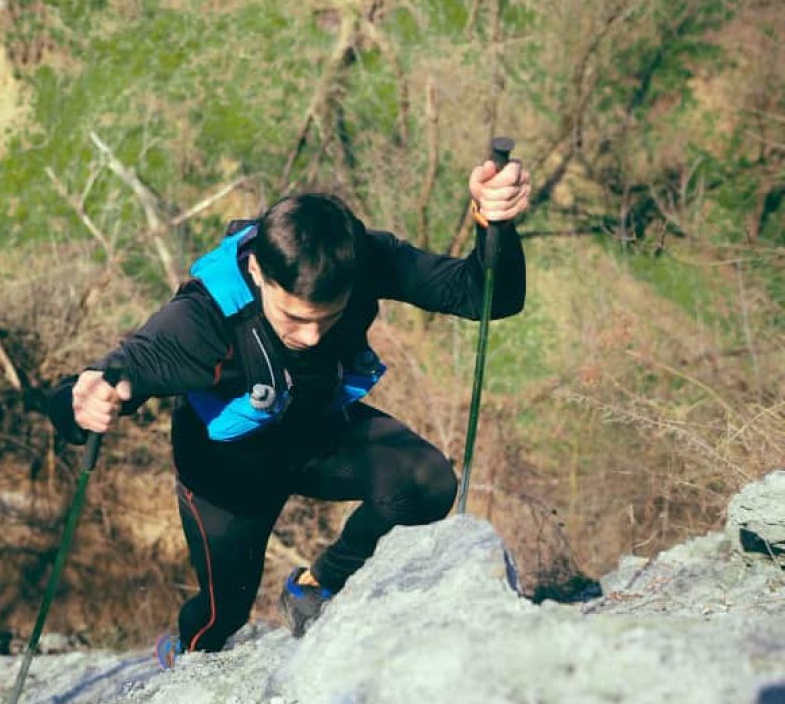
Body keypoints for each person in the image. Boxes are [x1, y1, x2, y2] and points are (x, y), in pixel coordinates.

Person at [49, 158, 531, 667]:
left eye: (328, 317)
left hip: (314, 434)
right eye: (294, 318)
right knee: (221, 616)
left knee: (425, 482)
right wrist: (81, 398)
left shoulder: (360, 257)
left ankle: (316, 585)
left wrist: (493, 223)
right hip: (224, 473)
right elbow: (119, 372)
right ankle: (182, 655)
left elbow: (487, 296)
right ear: (257, 270)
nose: (311, 336)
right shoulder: (203, 318)